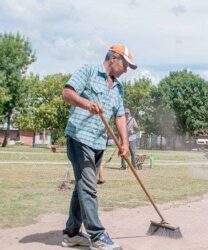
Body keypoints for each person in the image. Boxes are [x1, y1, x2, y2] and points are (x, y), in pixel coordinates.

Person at [61, 44, 137, 250]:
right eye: (126, 64)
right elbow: (66, 93)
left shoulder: (118, 88)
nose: (126, 70)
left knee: (82, 186)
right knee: (88, 186)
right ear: (113, 58)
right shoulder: (88, 70)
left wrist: (124, 142)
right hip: (79, 138)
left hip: (98, 143)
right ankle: (97, 235)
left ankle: (72, 232)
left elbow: (120, 116)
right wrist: (87, 105)